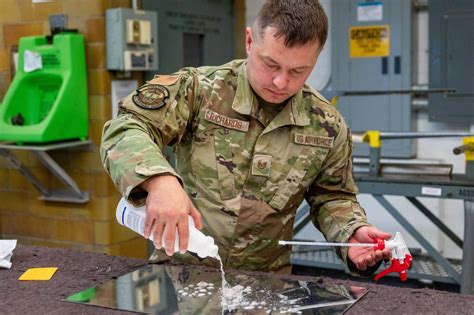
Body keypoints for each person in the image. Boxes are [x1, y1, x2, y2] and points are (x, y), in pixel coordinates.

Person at [100, 0, 391, 276]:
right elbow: (127, 125)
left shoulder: (326, 124)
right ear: (250, 41)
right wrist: (159, 181)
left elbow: (332, 196)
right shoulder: (200, 91)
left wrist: (351, 230)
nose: (281, 82)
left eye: (298, 71)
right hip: (181, 275)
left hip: (268, 284)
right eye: (271, 64)